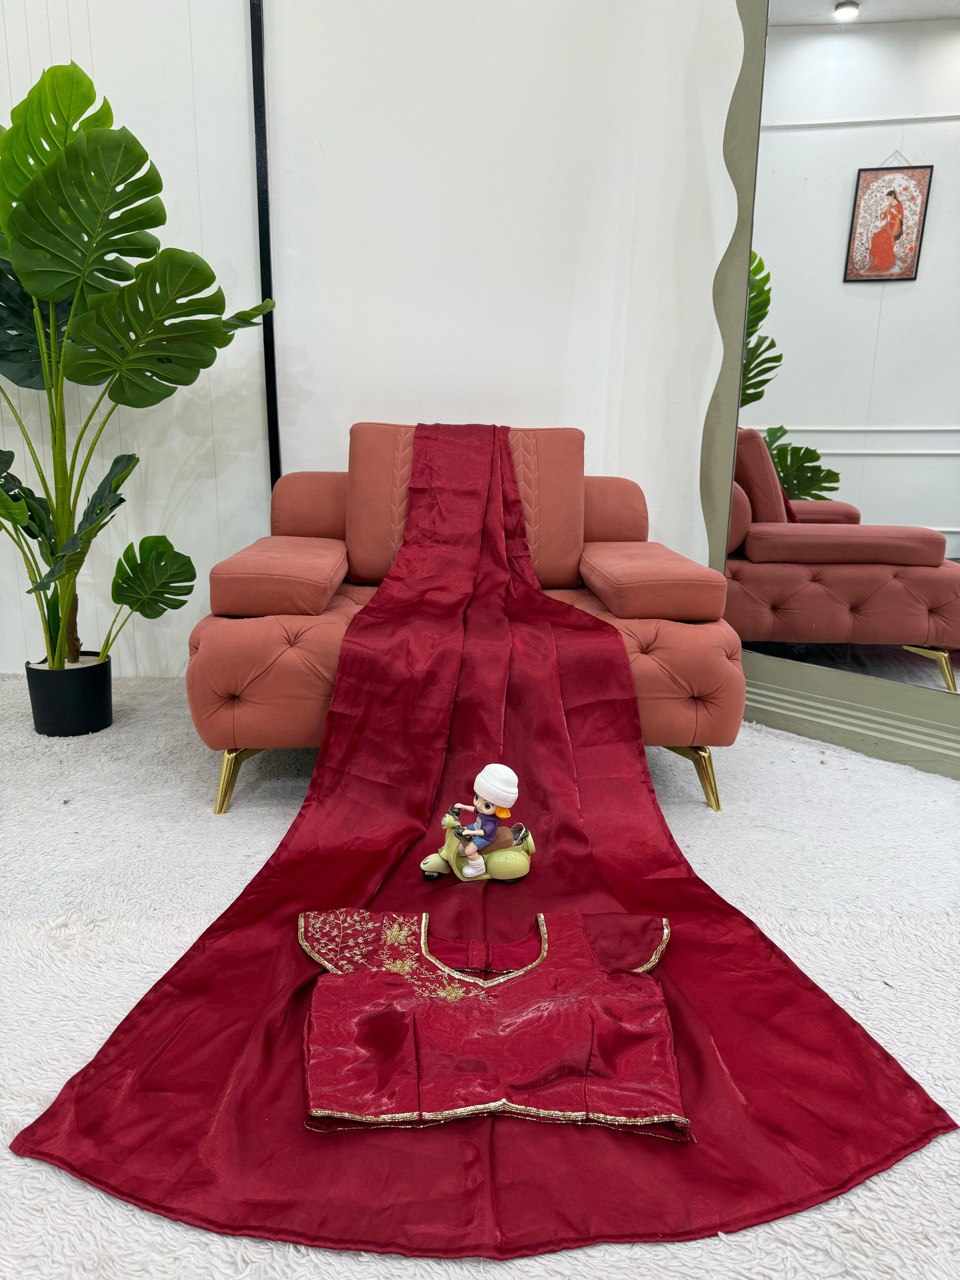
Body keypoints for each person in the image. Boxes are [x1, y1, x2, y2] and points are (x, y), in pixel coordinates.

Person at [453, 763, 518, 878]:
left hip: (485, 837)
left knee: (469, 851)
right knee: (460, 831)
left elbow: (483, 832)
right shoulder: (481, 810)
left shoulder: (491, 822)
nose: (478, 804)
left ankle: (478, 868)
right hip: (476, 827)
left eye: (487, 805)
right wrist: (462, 806)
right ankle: (463, 849)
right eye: (476, 797)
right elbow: (474, 809)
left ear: (500, 808)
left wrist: (470, 832)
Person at [868, 187, 904, 274]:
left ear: (893, 196)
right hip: (887, 225)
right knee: (876, 237)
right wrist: (882, 213)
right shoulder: (889, 205)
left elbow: (900, 218)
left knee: (884, 240)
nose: (888, 200)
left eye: (888, 198)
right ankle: (877, 262)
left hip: (895, 226)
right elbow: (884, 215)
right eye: (887, 198)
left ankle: (886, 263)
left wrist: (895, 213)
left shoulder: (899, 205)